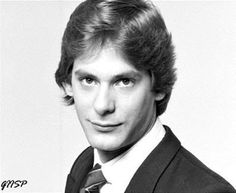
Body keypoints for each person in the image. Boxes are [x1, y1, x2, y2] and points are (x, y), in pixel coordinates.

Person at [55, 0, 236, 192]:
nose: (102, 105)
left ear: (159, 87)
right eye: (88, 80)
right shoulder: (85, 166)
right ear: (68, 84)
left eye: (124, 81)